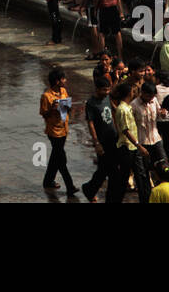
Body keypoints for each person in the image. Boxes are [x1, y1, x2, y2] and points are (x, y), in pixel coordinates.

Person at [40, 66, 78, 196]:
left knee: (56, 156)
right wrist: (52, 108)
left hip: (64, 128)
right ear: (57, 81)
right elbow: (44, 114)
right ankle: (70, 185)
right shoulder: (46, 96)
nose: (65, 81)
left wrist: (68, 106)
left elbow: (68, 109)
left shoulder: (63, 91)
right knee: (61, 159)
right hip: (53, 131)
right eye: (63, 79)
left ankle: (48, 180)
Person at [80, 77, 115, 202]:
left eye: (108, 89)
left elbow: (113, 111)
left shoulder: (107, 98)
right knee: (104, 169)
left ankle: (90, 188)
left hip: (113, 138)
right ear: (97, 89)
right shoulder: (91, 103)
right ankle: (90, 188)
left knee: (107, 169)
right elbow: (90, 123)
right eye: (104, 90)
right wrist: (96, 142)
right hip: (102, 140)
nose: (106, 92)